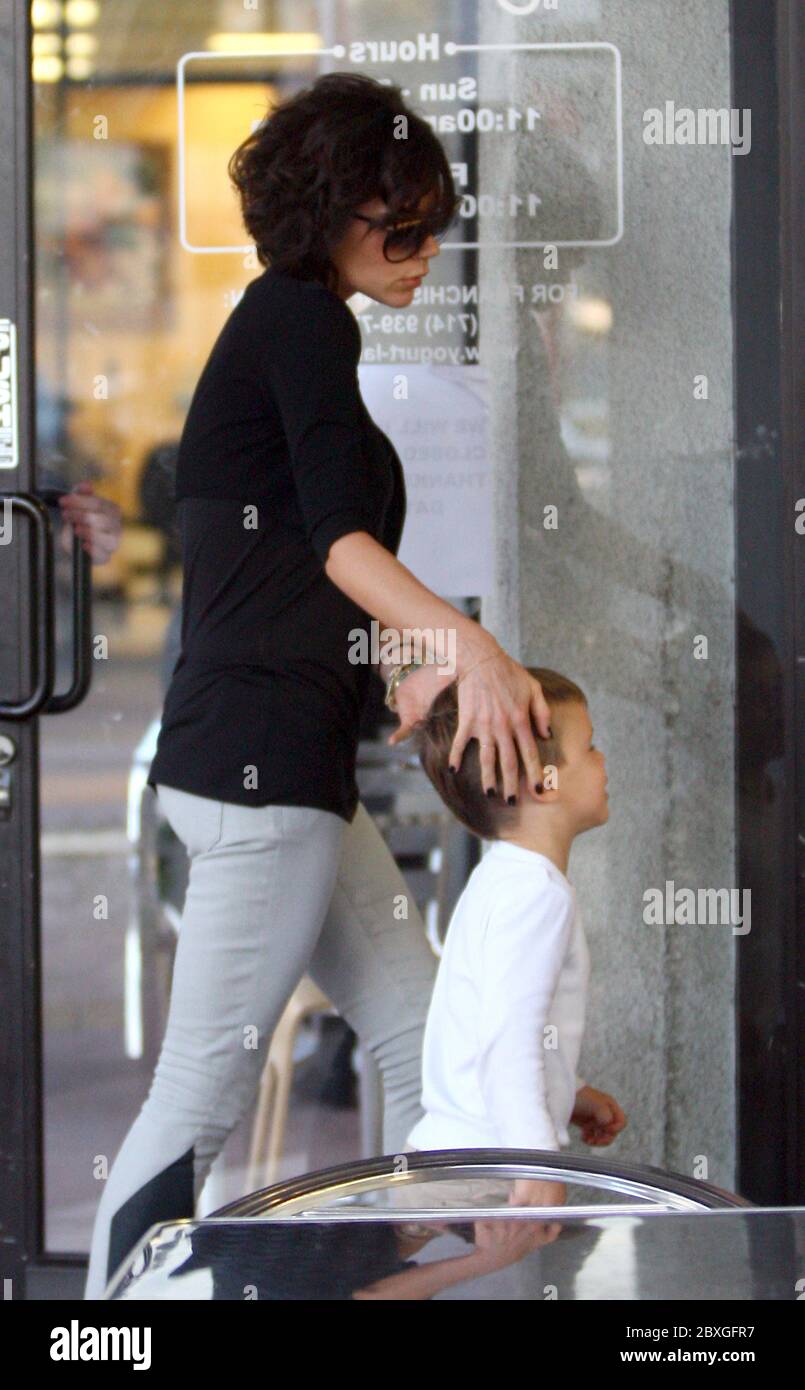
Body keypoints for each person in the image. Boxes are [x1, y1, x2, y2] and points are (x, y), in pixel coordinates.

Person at [83, 71, 553, 1299]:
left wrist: (402, 658)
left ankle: (428, 1281)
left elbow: (301, 562)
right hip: (261, 773)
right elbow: (343, 544)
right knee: (200, 1095)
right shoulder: (300, 320)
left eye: (431, 226)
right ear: (328, 216)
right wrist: (472, 649)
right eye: (398, 227)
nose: (422, 251)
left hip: (288, 766)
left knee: (419, 1031)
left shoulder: (286, 327)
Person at [396, 668, 627, 1237]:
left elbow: (498, 1029)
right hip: (488, 1173)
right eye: (590, 747)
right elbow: (508, 1037)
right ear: (545, 783)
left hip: (455, 1160)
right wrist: (536, 1160)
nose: (603, 761)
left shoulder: (503, 878)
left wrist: (567, 1094)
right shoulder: (536, 896)